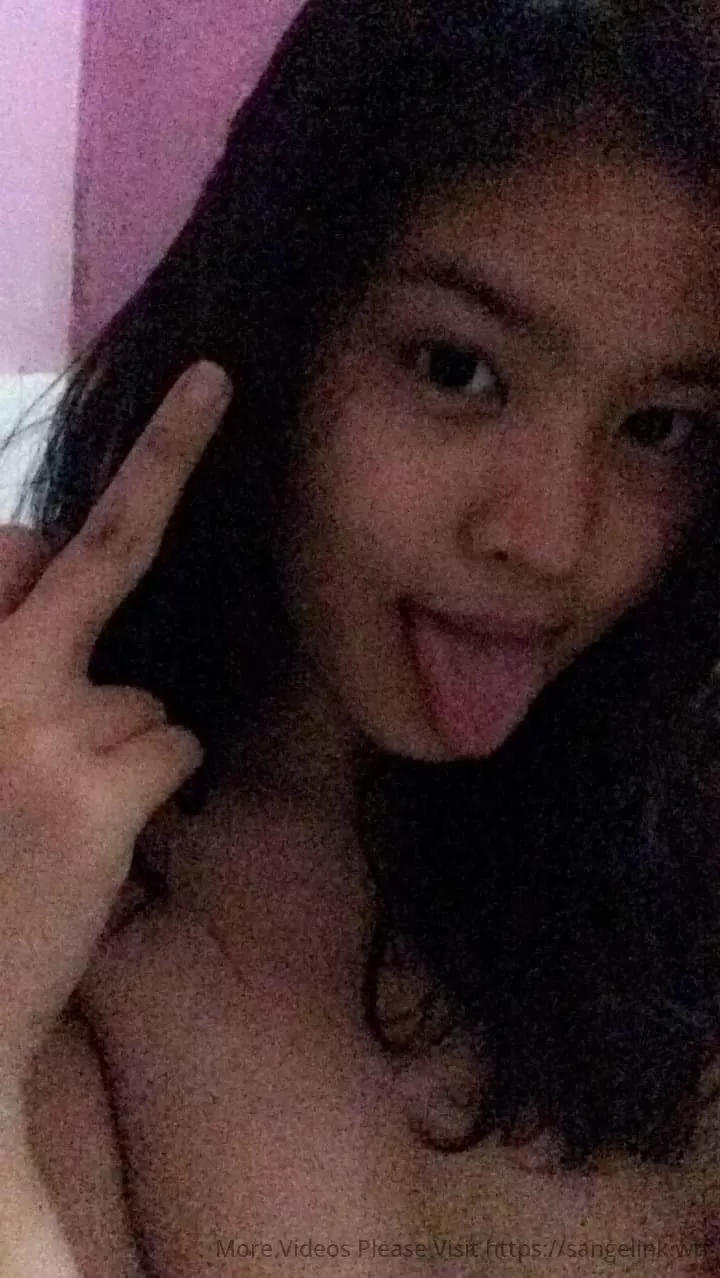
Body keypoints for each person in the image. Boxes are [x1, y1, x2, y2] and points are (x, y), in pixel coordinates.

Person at [1, 0, 720, 1272]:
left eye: (659, 427)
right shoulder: (58, 874)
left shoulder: (669, 859)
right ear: (273, 330)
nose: (548, 539)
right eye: (456, 369)